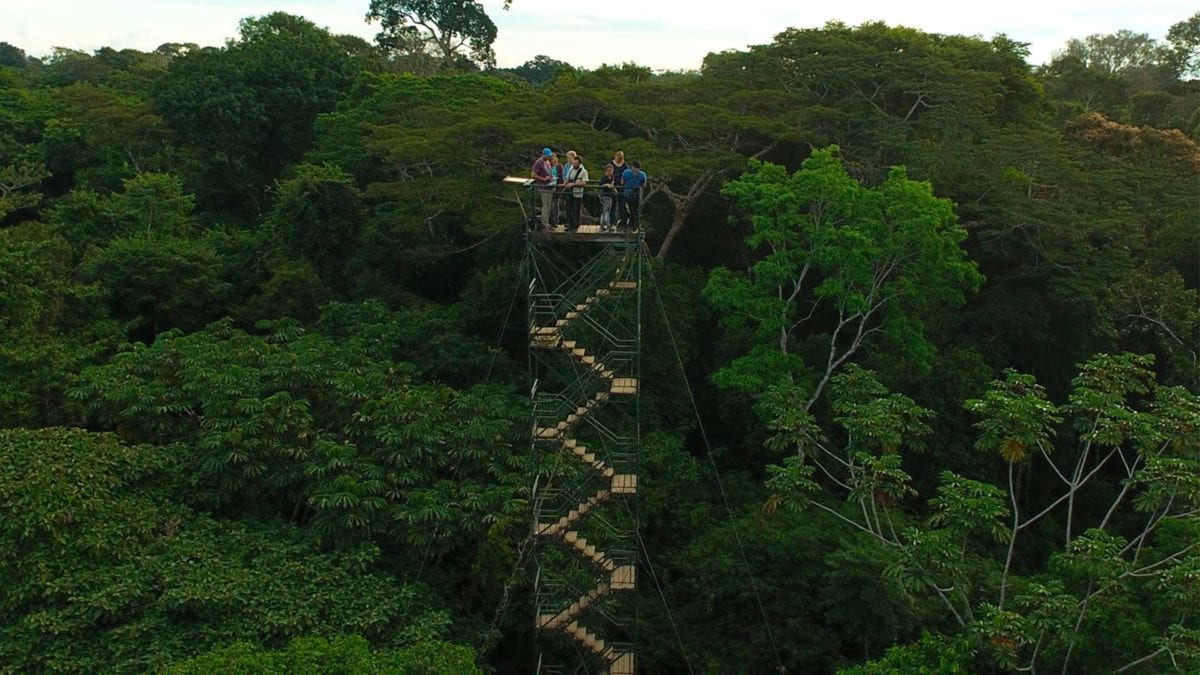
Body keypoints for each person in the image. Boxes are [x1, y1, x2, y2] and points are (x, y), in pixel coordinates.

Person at [564, 154, 589, 231]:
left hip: (578, 193)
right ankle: (570, 224)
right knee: (569, 209)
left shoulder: (584, 172)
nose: (574, 165)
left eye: (576, 164)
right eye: (574, 163)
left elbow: (584, 183)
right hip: (570, 193)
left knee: (576, 210)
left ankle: (576, 226)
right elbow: (567, 179)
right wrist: (566, 184)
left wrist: (574, 184)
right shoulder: (571, 170)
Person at [530, 147, 554, 230]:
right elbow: (533, 174)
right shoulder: (538, 163)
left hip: (550, 186)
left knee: (550, 205)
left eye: (549, 156)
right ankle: (545, 223)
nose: (549, 157)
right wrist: (542, 179)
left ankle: (547, 222)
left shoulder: (547, 162)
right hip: (543, 187)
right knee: (546, 205)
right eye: (547, 156)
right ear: (543, 154)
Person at [621, 160, 647, 231]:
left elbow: (622, 182)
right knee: (634, 211)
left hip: (628, 194)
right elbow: (644, 185)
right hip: (636, 195)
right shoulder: (642, 174)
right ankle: (630, 225)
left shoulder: (626, 172)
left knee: (626, 211)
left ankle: (624, 225)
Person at [608, 150, 627, 227]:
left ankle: (622, 221)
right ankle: (612, 222)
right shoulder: (611, 163)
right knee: (612, 205)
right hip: (613, 185)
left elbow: (627, 173)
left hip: (622, 186)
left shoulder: (624, 164)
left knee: (622, 205)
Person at [548, 154, 565, 228]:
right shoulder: (548, 166)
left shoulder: (559, 166)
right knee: (549, 205)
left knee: (555, 204)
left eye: (553, 158)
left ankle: (555, 221)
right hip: (549, 187)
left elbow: (562, 177)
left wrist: (561, 186)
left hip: (557, 187)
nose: (552, 159)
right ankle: (549, 221)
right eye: (551, 158)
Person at [598, 163, 616, 231]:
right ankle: (607, 226)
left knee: (606, 211)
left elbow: (612, 185)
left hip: (610, 195)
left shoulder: (612, 177)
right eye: (608, 170)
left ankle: (602, 226)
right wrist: (605, 184)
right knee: (606, 211)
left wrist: (614, 190)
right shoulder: (604, 178)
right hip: (605, 196)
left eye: (611, 170)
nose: (609, 172)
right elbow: (600, 185)